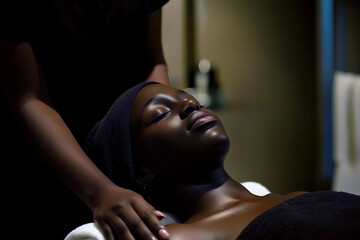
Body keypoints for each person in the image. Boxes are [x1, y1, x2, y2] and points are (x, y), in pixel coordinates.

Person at [83, 81, 360, 240]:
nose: (190, 104)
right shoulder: (178, 237)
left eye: (190, 99)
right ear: (141, 169)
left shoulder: (299, 196)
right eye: (159, 114)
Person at [0, 1, 171, 239]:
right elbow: (29, 97)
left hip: (125, 150)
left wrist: (164, 133)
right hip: (50, 155)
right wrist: (100, 191)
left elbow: (151, 60)